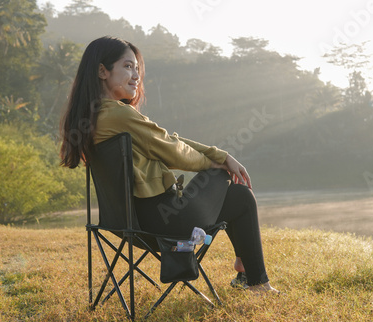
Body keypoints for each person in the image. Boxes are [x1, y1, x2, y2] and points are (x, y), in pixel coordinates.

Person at [60, 36, 278, 294]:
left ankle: (246, 271)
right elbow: (174, 151)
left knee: (237, 195)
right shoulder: (119, 113)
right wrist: (218, 161)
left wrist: (218, 155)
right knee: (230, 185)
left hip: (129, 224)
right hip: (166, 222)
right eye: (128, 66)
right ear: (102, 71)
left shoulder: (95, 116)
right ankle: (255, 281)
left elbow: (166, 139)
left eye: (137, 69)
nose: (136, 75)